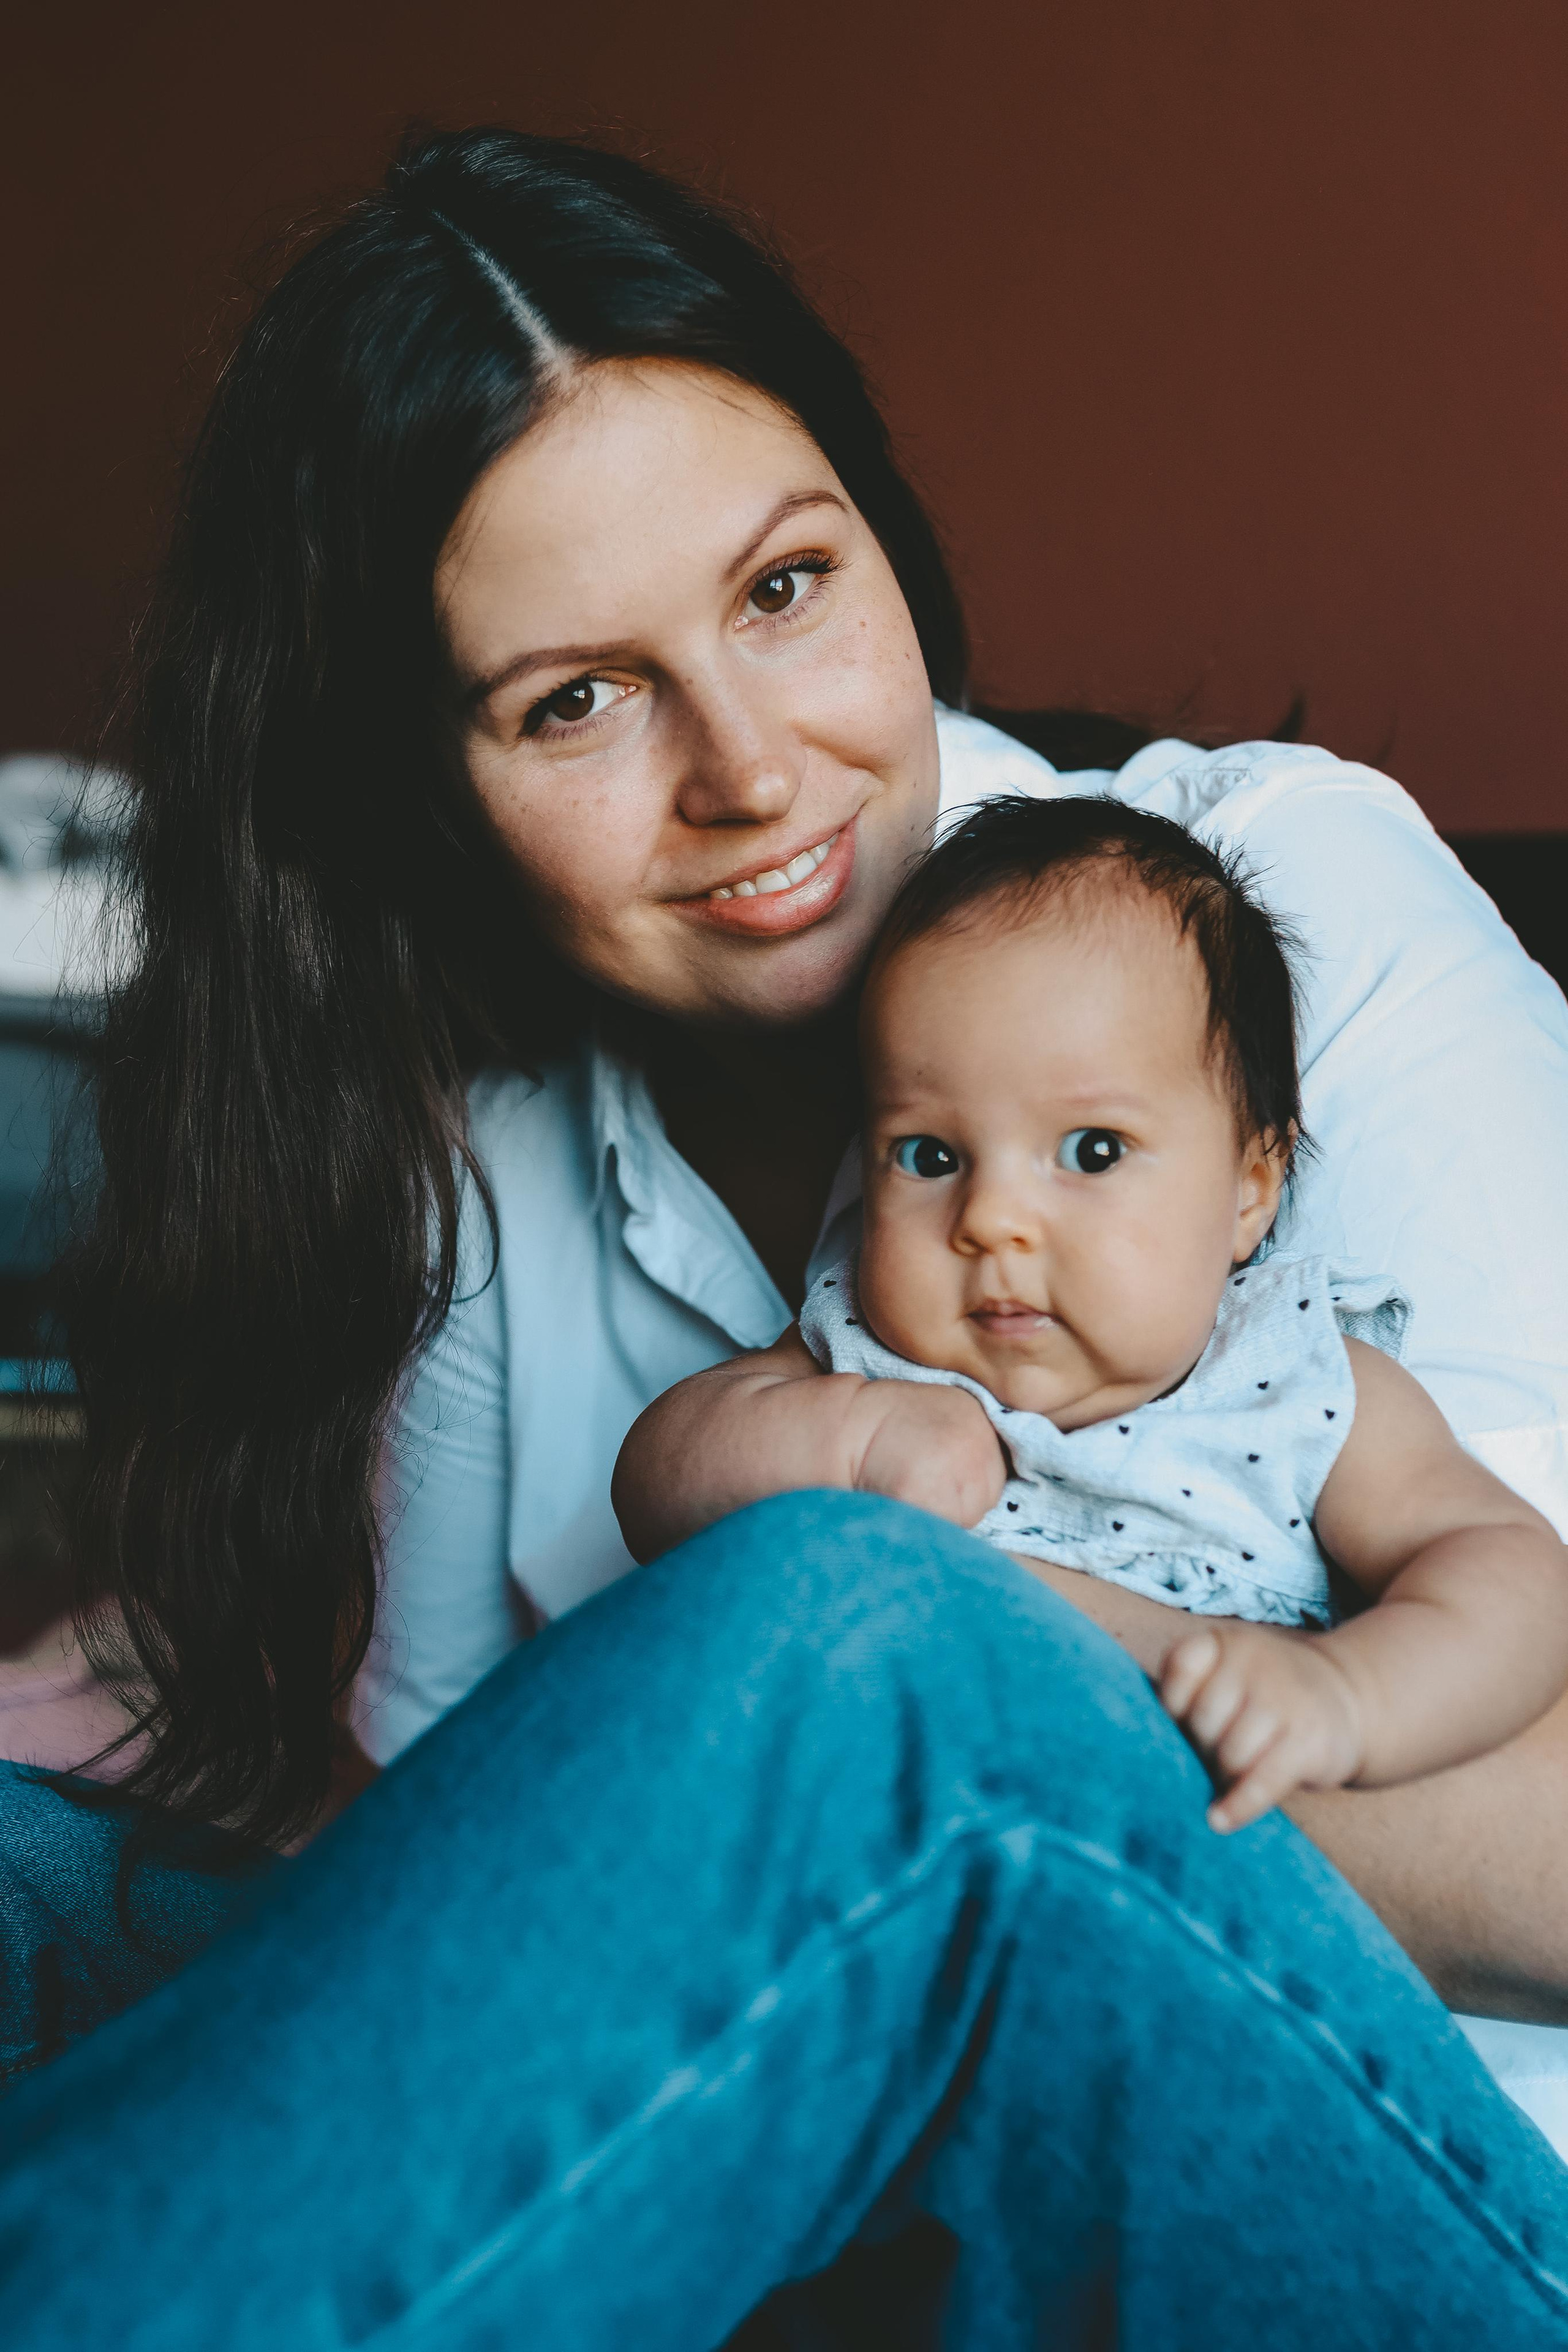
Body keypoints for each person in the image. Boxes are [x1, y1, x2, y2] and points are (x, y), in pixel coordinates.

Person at [3, 124, 1568, 2343]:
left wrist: (924, 1690)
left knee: (862, 1633)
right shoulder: (484, 1178)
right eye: (577, 698)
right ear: (417, 789)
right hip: (850, 2236)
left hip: (1445, 2190)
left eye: (782, 588)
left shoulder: (1284, 921)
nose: (751, 768)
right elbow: (434, 1841)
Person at [613, 796, 1568, 1834]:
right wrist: (855, 1434)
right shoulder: (871, 1348)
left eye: (1092, 1151)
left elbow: (1510, 1575)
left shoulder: (1299, 1386)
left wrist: (1351, 1698)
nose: (991, 1221)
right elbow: (656, 1478)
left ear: (1250, 1188)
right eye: (931, 1157)